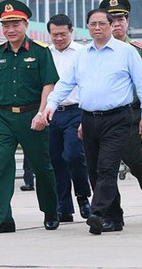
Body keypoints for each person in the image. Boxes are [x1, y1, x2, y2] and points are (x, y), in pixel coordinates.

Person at [42, 8, 142, 235]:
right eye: (93, 24)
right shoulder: (82, 54)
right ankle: (114, 217)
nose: (97, 28)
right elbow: (65, 83)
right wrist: (50, 105)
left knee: (107, 167)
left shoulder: (127, 52)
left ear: (111, 25)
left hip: (118, 118)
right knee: (93, 170)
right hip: (89, 118)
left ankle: (97, 213)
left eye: (102, 24)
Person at [0, 0, 59, 234]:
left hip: (31, 116)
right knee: (2, 166)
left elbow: (49, 83)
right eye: (6, 26)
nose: (10, 30)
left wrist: (42, 113)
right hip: (3, 117)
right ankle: (3, 219)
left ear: (26, 25)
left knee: (41, 166)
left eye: (15, 24)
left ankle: (50, 211)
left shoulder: (40, 52)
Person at [99, 0, 142, 220]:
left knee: (134, 160)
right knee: (106, 165)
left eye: (121, 19)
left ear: (127, 21)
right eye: (112, 19)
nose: (117, 24)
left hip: (131, 113)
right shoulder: (95, 50)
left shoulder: (138, 49)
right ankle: (112, 213)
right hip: (103, 115)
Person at [46, 13, 91, 222]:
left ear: (71, 32)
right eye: (54, 34)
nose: (59, 38)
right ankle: (64, 207)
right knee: (55, 160)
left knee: (73, 155)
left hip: (76, 111)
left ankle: (82, 195)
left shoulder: (83, 53)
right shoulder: (45, 54)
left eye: (63, 34)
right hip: (52, 112)